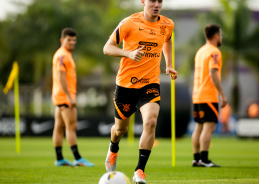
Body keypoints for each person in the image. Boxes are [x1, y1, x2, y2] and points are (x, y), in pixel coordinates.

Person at [103, 0, 177, 183]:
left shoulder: (167, 24)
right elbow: (107, 48)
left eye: (160, 0)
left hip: (150, 84)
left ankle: (139, 171)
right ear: (143, 2)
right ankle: (113, 148)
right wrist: (128, 53)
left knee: (151, 122)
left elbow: (167, 41)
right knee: (121, 129)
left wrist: (169, 65)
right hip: (126, 85)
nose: (157, 4)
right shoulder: (129, 22)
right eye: (152, 0)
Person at [52, 28, 94, 167]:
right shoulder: (62, 55)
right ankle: (77, 158)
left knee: (59, 126)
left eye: (74, 40)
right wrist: (70, 97)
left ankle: (59, 159)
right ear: (62, 40)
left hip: (59, 95)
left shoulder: (64, 54)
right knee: (72, 126)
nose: (72, 42)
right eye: (69, 40)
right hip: (65, 96)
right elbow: (61, 76)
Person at [192, 24, 227, 167]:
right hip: (208, 95)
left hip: (197, 95)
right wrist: (222, 95)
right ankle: (205, 160)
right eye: (221, 35)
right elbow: (213, 73)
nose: (221, 37)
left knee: (199, 127)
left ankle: (196, 158)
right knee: (209, 127)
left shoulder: (200, 51)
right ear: (216, 36)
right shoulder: (214, 52)